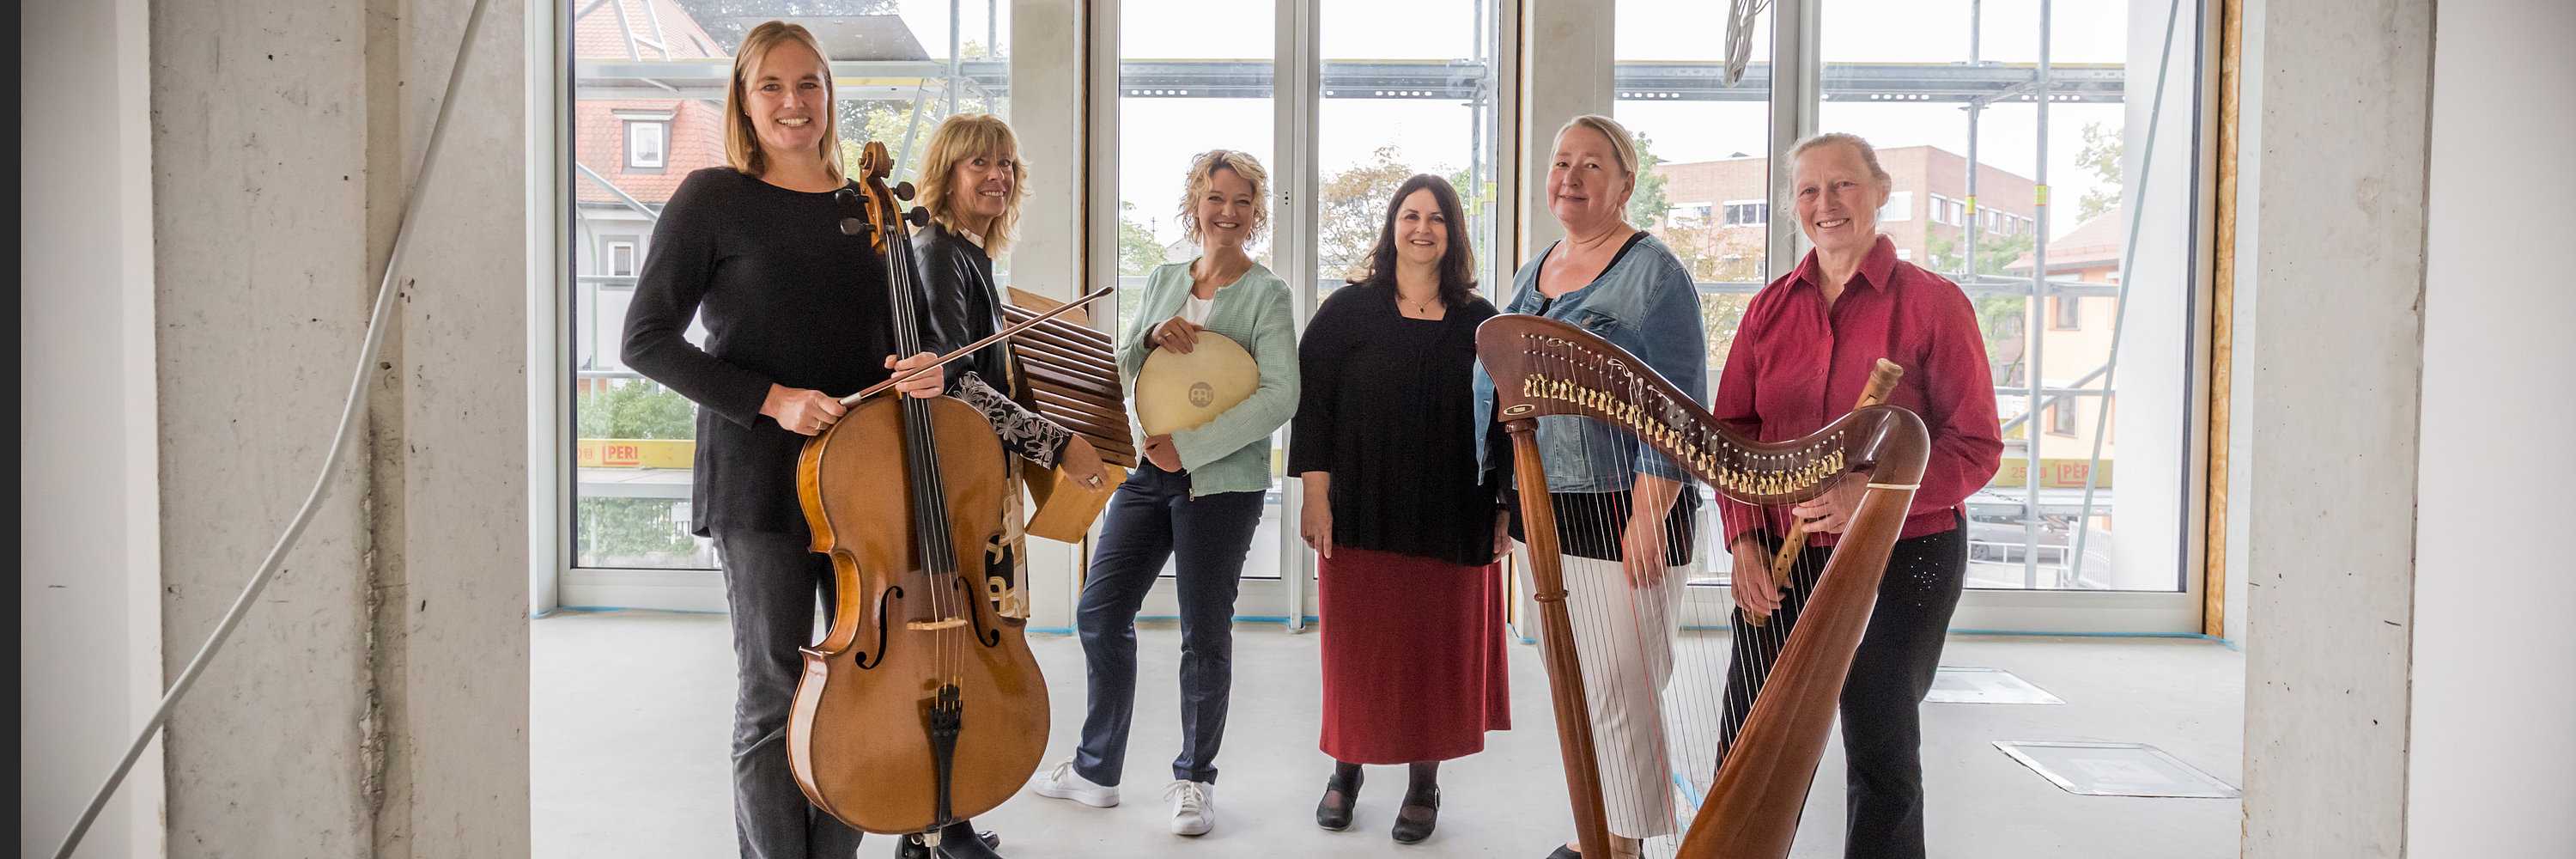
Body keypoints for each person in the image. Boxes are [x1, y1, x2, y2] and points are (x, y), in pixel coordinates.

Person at [619, 22, 997, 859]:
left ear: (829, 94)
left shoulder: (874, 209)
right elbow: (644, 339)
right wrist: (773, 399)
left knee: (869, 693)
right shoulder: (711, 199)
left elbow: (916, 340)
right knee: (773, 690)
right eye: (772, 87)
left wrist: (926, 367)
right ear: (745, 102)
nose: (793, 104)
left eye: (809, 85)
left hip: (868, 485)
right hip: (758, 482)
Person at [1710, 132, 2003, 859]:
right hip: (1782, 554)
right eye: (1809, 191)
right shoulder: (1768, 311)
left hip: (1905, 555)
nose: (1826, 204)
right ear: (1793, 208)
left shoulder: (1935, 305)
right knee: (1748, 738)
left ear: (1878, 193)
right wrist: (1744, 539)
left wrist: (1873, 495)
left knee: (1880, 747)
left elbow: (1976, 446)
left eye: (1843, 186)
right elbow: (1733, 433)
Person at [1025, 149, 1300, 838]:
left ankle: (1194, 782)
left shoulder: (1269, 295)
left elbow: (1281, 395)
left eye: (1242, 202)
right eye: (1216, 198)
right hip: (1149, 476)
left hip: (1221, 483)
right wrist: (1149, 336)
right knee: (1100, 608)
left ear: (1256, 212)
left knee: (1204, 632)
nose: (1228, 213)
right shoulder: (1163, 279)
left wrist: (1195, 447)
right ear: (1195, 204)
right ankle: (1096, 770)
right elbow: (1119, 368)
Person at [1471, 114, 1709, 859]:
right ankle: (1596, 836)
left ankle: (1623, 846)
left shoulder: (1654, 274)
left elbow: (1679, 403)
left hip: (1627, 505)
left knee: (1618, 692)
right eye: (1561, 162)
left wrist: (1650, 512)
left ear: (1625, 184)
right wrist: (1505, 503)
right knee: (1576, 689)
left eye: (1592, 165)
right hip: (1548, 510)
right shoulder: (1534, 267)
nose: (1570, 177)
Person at [1290, 174, 1510, 845]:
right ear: (1391, 227)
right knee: (1358, 653)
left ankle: (1423, 784)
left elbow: (1506, 423)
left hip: (1453, 514)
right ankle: (1345, 770)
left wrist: (1504, 507)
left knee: (1434, 658)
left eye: (1437, 218)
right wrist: (1315, 495)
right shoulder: (1347, 310)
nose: (1422, 228)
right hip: (1361, 510)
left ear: (1453, 233)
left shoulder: (1481, 319)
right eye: (1410, 215)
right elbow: (1314, 409)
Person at [911, 112, 1111, 630]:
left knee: (993, 623)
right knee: (980, 621)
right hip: (959, 472)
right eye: (980, 162)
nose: (999, 176)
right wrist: (1059, 442)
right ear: (946, 172)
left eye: (1007, 164)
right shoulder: (938, 250)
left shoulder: (971, 254)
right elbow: (953, 382)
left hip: (981, 465)